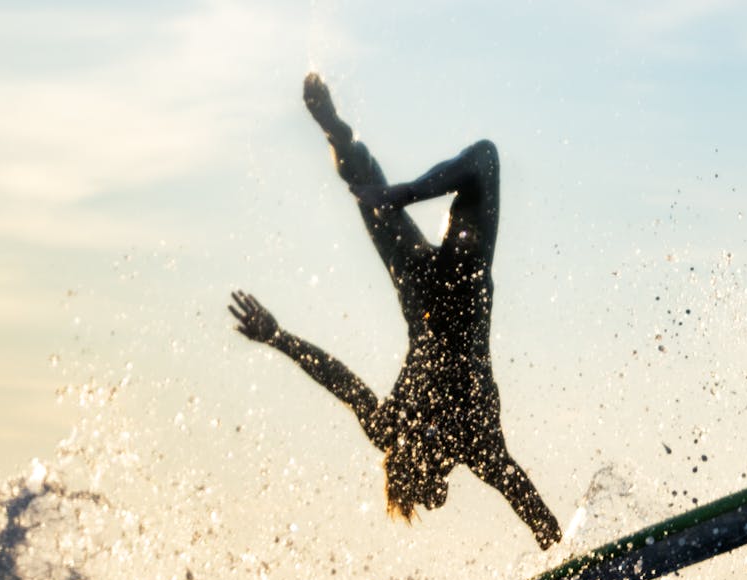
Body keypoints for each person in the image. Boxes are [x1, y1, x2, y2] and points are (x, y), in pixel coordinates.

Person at [229, 73, 562, 550]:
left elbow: (338, 378)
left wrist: (278, 337)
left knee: (374, 185)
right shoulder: (476, 444)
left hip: (424, 296)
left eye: (430, 487)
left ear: (411, 463)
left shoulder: (392, 430)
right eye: (438, 489)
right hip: (463, 289)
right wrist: (568, 577)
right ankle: (379, 176)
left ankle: (335, 130)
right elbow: (532, 510)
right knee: (483, 162)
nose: (442, 489)